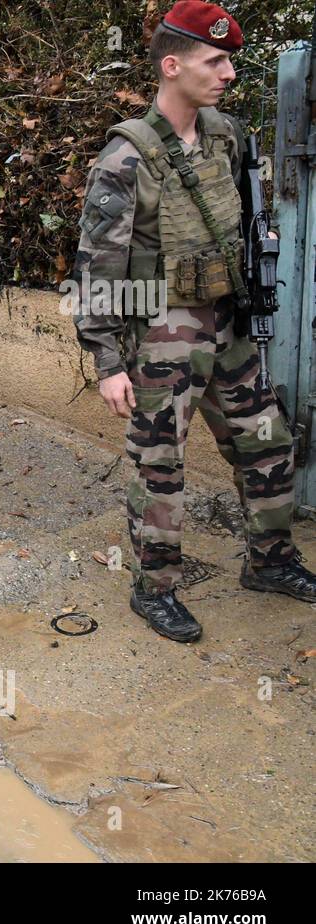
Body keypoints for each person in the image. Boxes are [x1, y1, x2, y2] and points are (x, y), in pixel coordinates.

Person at [71, 2, 316, 642]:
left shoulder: (227, 135)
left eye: (230, 59)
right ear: (173, 65)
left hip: (228, 327)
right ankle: (154, 591)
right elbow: (96, 269)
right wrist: (106, 363)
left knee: (267, 442)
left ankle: (270, 561)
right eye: (217, 61)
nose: (230, 72)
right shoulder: (125, 159)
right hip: (161, 333)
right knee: (161, 467)